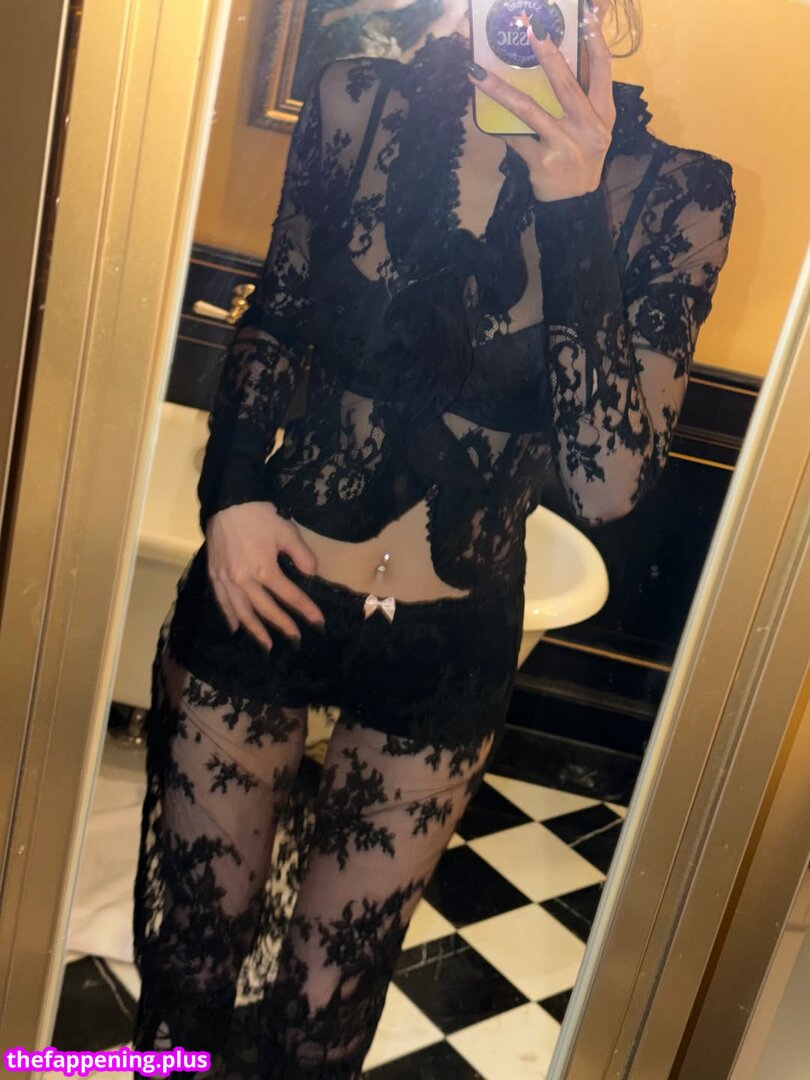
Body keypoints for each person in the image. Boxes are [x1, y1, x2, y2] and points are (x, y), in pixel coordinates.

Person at [132, 0, 736, 1076]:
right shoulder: (356, 104)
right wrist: (229, 494)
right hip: (262, 588)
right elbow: (277, 309)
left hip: (448, 649)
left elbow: (607, 484)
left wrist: (572, 202)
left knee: (323, 1017)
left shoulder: (679, 197)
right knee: (187, 980)